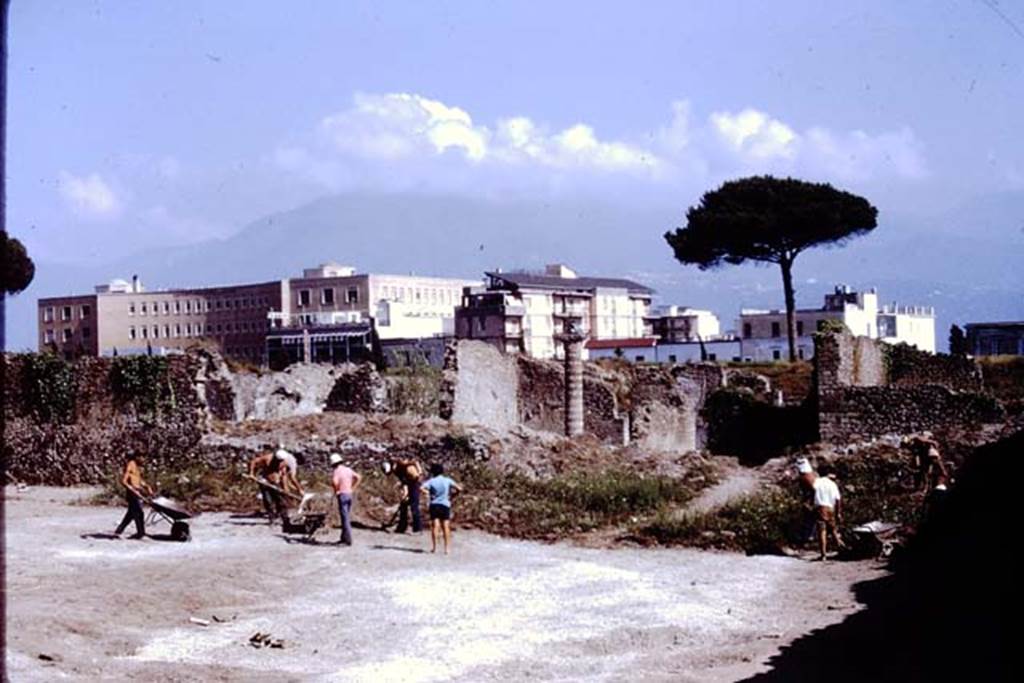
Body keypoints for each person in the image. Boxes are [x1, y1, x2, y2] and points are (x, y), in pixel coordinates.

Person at [248, 447, 305, 524]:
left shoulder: (283, 462)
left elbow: (284, 475)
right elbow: (254, 461)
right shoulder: (267, 458)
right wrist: (251, 474)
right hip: (264, 481)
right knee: (268, 500)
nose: (280, 462)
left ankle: (284, 518)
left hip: (276, 482)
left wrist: (285, 488)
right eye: (278, 460)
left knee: (280, 500)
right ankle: (272, 518)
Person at [421, 463, 462, 555]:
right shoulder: (447, 480)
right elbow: (459, 488)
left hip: (434, 504)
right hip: (445, 504)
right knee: (446, 526)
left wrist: (428, 493)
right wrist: (453, 496)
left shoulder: (431, 481)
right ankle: (447, 548)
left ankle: (435, 548)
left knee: (435, 526)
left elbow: (421, 488)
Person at [115, 452, 155, 539]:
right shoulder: (130, 465)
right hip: (132, 493)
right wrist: (133, 490)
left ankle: (119, 530)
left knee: (131, 513)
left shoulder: (137, 467)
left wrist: (147, 486)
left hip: (136, 491)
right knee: (139, 513)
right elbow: (124, 481)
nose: (143, 460)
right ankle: (141, 533)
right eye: (142, 457)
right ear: (137, 457)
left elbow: (138, 480)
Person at [813, 463, 846, 560]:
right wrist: (838, 513)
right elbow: (838, 499)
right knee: (833, 530)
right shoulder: (833, 484)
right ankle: (842, 547)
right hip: (831, 508)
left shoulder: (817, 482)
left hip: (821, 508)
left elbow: (811, 490)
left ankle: (823, 555)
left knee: (822, 532)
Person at [382, 457, 424, 534]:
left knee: (414, 506)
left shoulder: (401, 463)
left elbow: (415, 461)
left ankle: (418, 529)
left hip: (415, 482)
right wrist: (405, 493)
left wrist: (420, 473)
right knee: (403, 505)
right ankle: (402, 527)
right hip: (409, 483)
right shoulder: (397, 471)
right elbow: (404, 481)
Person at [330, 453, 361, 546]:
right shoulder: (348, 469)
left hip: (342, 495)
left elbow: (334, 482)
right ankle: (343, 538)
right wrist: (353, 488)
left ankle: (348, 540)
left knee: (345, 518)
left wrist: (336, 490)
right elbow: (359, 477)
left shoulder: (337, 471)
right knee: (346, 516)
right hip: (349, 494)